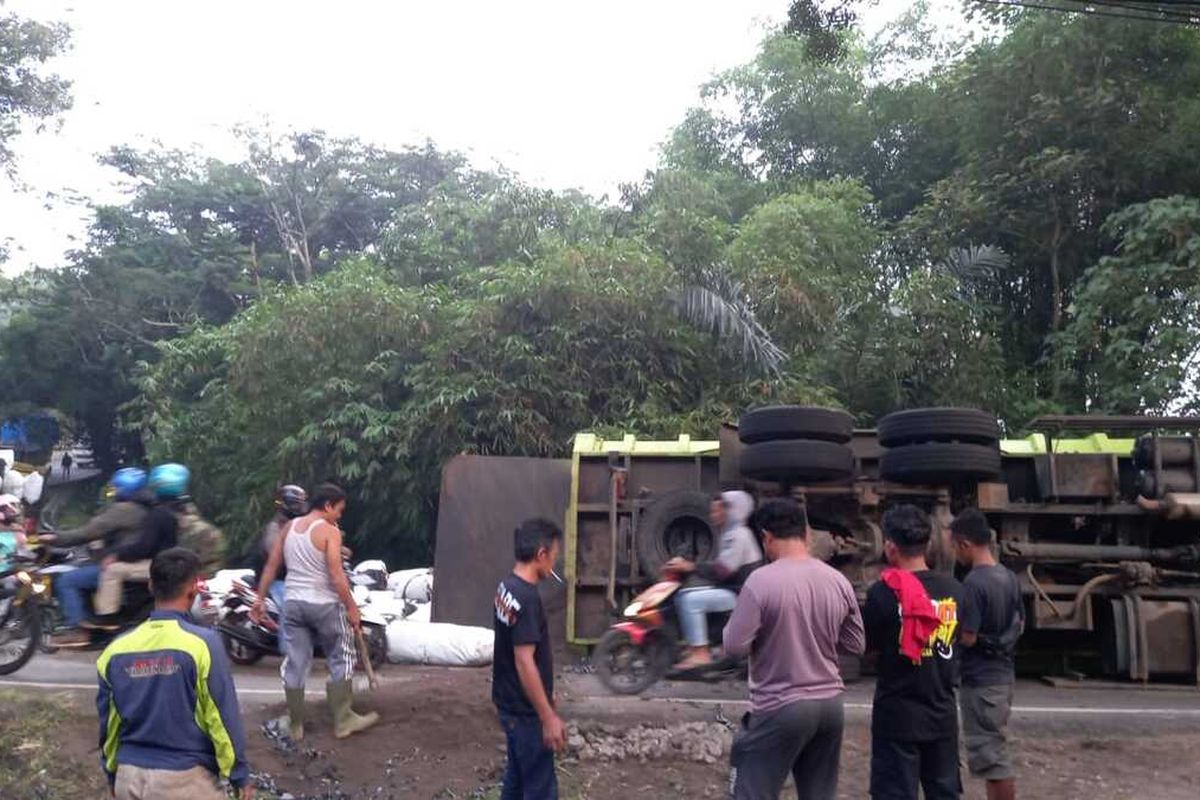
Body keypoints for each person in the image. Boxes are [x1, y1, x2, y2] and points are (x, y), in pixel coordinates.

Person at [722, 498, 865, 800]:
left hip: (780, 705)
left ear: (767, 537)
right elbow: (856, 644)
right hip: (829, 706)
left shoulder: (761, 581)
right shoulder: (837, 580)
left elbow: (734, 647)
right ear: (807, 535)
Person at [97, 547, 252, 800]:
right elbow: (221, 717)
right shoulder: (204, 644)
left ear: (150, 586)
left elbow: (110, 724)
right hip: (185, 781)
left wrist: (112, 775)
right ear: (194, 587)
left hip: (129, 777)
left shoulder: (115, 650)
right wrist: (238, 774)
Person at [252, 482, 377, 740]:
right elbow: (336, 574)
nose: (339, 516)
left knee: (296, 661)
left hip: (293, 604)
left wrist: (259, 599)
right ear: (328, 505)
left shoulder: (288, 528)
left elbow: (271, 566)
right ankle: (343, 720)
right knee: (341, 656)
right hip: (324, 605)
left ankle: (295, 723)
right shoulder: (329, 531)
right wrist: (352, 608)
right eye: (339, 510)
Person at [864, 504, 965, 800]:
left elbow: (868, 650)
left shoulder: (881, 593)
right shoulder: (955, 590)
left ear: (890, 547)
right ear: (929, 543)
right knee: (944, 793)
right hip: (942, 712)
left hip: (896, 715)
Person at [951, 509, 1023, 800]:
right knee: (994, 752)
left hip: (981, 681)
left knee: (992, 758)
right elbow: (1020, 623)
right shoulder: (1008, 577)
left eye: (954, 546)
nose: (954, 553)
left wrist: (943, 629)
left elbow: (967, 637)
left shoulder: (974, 583)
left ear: (965, 544)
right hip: (1004, 675)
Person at [493, 519, 566, 800]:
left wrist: (547, 693)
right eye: (554, 557)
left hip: (509, 703)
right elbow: (524, 661)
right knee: (540, 788)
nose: (554, 565)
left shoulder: (506, 588)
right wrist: (547, 716)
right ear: (541, 555)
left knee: (517, 779)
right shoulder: (527, 598)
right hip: (525, 712)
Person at [44, 467, 151, 646]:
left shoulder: (123, 510)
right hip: (136, 562)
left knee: (67, 580)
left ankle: (77, 629)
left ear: (123, 488)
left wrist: (55, 538)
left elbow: (88, 532)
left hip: (121, 563)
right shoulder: (145, 509)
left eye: (115, 487)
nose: (112, 490)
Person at [665, 490, 763, 669]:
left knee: (690, 601)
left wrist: (690, 566)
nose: (713, 515)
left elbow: (723, 570)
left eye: (717, 511)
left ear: (731, 511)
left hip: (743, 595)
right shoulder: (729, 533)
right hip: (735, 589)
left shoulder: (739, 535)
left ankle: (700, 654)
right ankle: (694, 644)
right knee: (683, 594)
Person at [89, 463, 188, 626]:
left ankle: (107, 617)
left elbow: (144, 547)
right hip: (174, 562)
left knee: (112, 570)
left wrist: (116, 555)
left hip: (160, 565)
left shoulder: (157, 514)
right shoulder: (179, 511)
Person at [252, 485, 308, 654]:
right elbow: (275, 557)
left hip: (292, 577)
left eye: (301, 504)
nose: (300, 508)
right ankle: (289, 650)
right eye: (297, 504)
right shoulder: (275, 527)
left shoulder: (298, 524)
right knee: (289, 607)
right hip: (274, 579)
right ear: (287, 504)